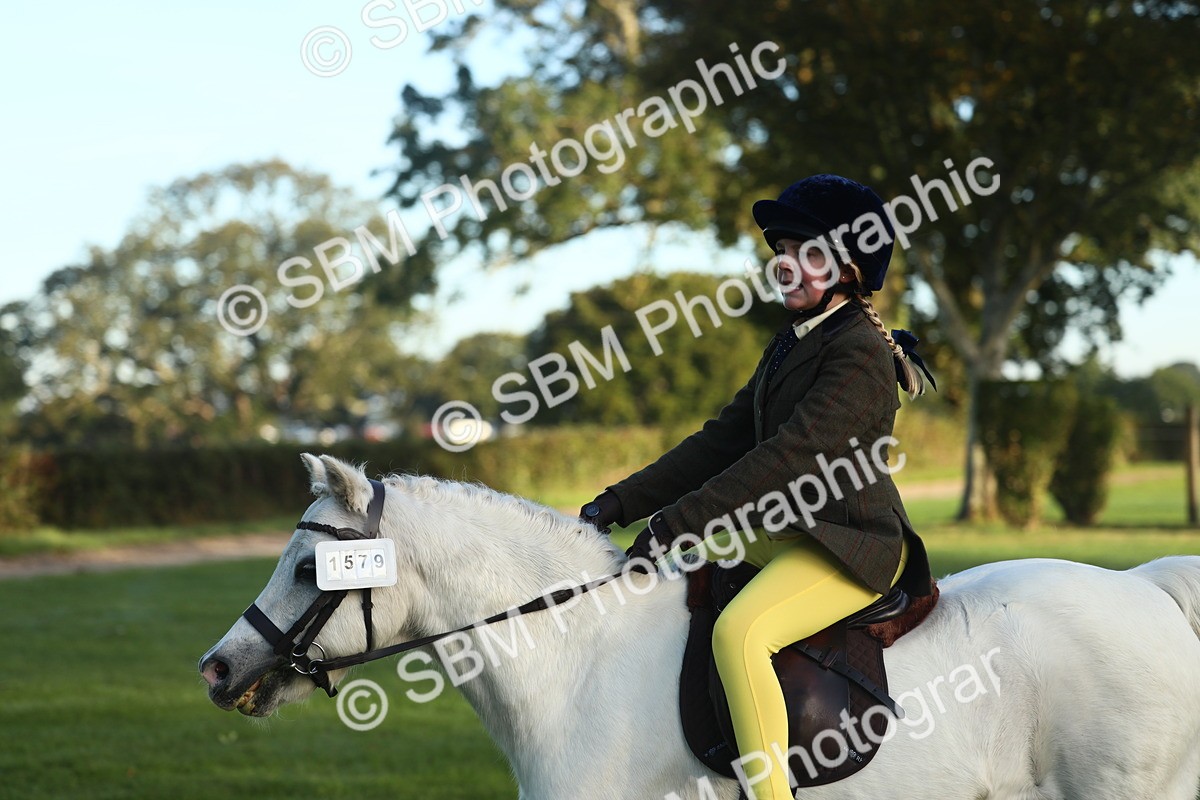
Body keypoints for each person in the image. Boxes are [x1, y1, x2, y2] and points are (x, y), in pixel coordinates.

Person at [581, 174, 935, 800]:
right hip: (794, 532)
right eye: (785, 252)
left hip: (852, 544)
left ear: (850, 270)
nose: (789, 266)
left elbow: (787, 459)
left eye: (811, 255)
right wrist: (622, 502)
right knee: (678, 591)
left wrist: (673, 524)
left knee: (739, 631)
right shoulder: (792, 342)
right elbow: (721, 441)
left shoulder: (857, 352)